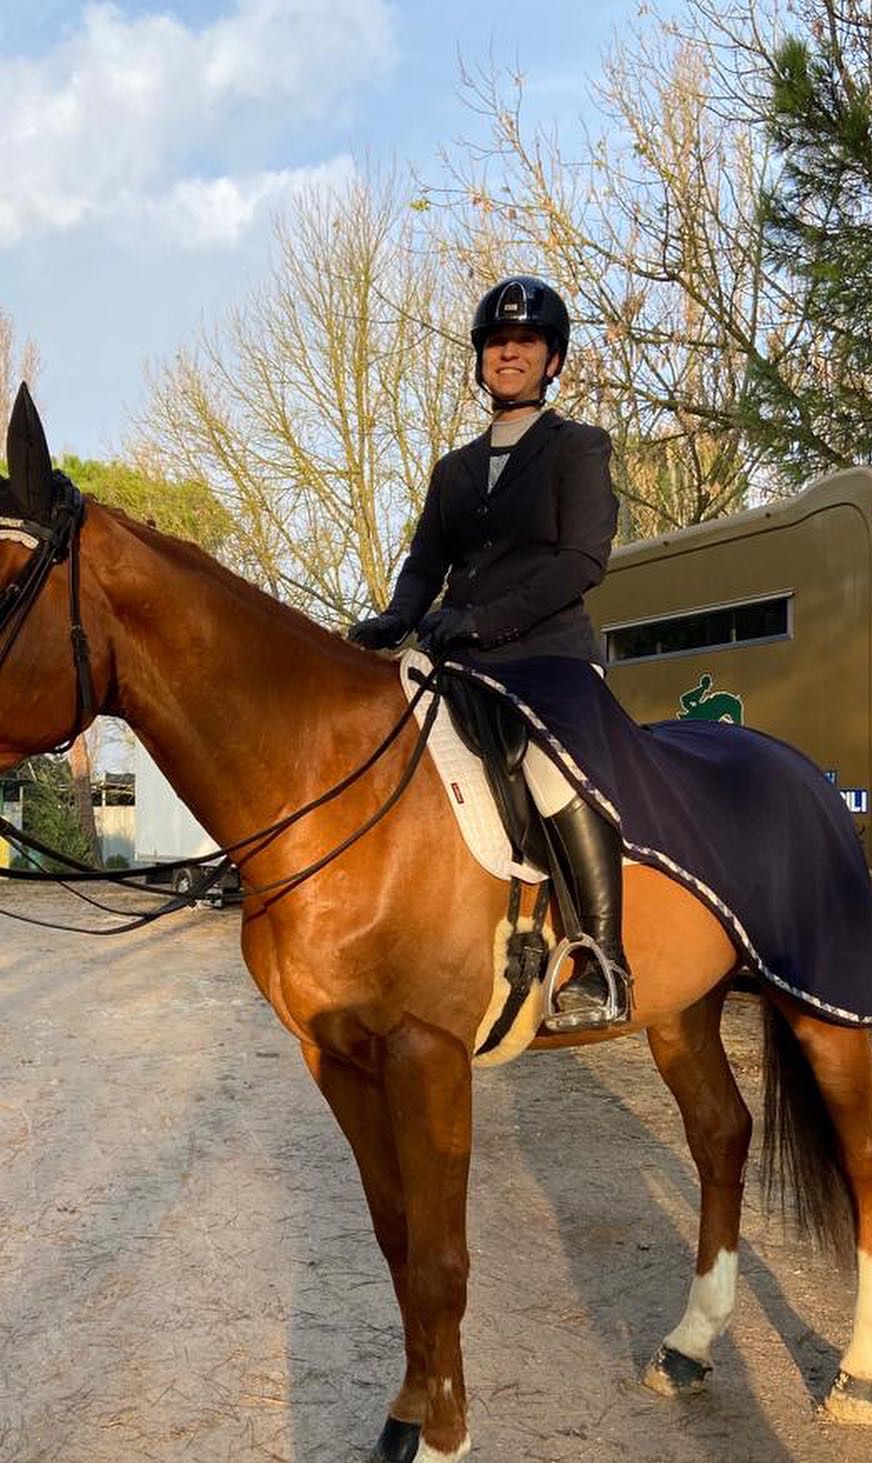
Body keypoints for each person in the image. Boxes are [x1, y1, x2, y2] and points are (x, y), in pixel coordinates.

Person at [347, 274, 631, 1029]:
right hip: (462, 656)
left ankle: (604, 960)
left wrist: (481, 622)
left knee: (551, 764)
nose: (510, 353)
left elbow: (582, 562)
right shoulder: (455, 469)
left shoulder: (578, 448)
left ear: (552, 360)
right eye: (499, 343)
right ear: (481, 360)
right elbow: (424, 563)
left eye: (526, 343)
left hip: (547, 656)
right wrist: (397, 617)